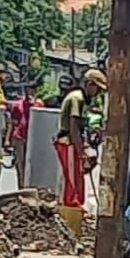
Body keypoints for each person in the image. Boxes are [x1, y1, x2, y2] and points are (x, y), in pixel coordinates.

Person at [55, 69, 105, 210]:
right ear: (89, 84)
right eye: (97, 89)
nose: (98, 93)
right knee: (72, 181)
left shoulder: (81, 99)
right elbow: (74, 127)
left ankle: (75, 210)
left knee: (78, 179)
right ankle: (70, 212)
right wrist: (82, 151)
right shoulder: (78, 98)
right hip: (68, 142)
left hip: (73, 142)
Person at [3, 84, 32, 188]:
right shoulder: (17, 105)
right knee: (20, 164)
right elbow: (12, 123)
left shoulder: (38, 105)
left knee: (31, 165)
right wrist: (7, 139)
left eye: (33, 90)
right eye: (29, 90)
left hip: (32, 138)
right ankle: (21, 188)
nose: (31, 93)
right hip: (19, 137)